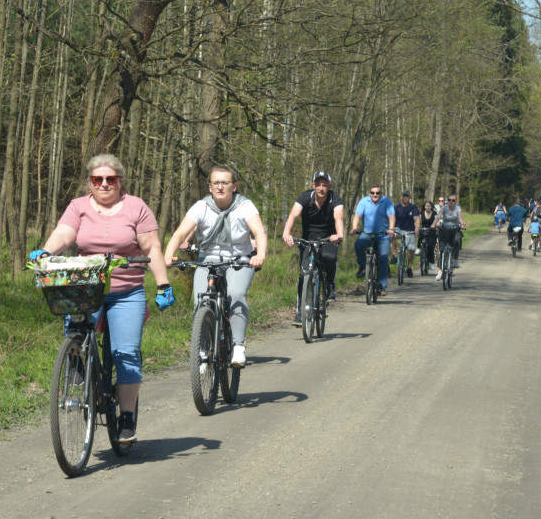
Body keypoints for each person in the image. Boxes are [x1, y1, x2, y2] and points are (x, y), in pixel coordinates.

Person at [31, 154, 172, 444]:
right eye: (98, 180)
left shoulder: (136, 207)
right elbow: (65, 234)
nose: (105, 184)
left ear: (121, 182)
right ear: (90, 183)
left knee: (126, 354)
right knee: (75, 331)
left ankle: (127, 418)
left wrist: (163, 284)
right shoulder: (79, 207)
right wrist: (46, 251)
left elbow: (152, 246)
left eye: (111, 179)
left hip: (126, 290)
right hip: (87, 288)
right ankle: (79, 369)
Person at [164, 165, 267, 368]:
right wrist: (168, 254)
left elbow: (259, 232)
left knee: (236, 294)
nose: (220, 187)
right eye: (216, 183)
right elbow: (179, 233)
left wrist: (260, 255)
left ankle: (238, 346)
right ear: (210, 187)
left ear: (234, 186)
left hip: (239, 259)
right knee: (200, 300)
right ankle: (203, 348)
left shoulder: (245, 206)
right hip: (208, 258)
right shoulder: (201, 207)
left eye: (225, 183)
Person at [282, 171, 344, 324]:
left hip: (328, 238)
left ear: (329, 186)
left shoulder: (334, 199)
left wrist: (339, 234)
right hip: (308, 239)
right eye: (318, 184)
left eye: (324, 185)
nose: (321, 188)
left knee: (329, 258)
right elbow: (293, 215)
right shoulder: (305, 197)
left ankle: (329, 284)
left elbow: (339, 217)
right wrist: (286, 233)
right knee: (304, 274)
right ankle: (300, 312)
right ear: (313, 185)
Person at [350, 185, 395, 295]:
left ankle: (383, 286)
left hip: (382, 234)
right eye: (373, 192)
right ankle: (363, 266)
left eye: (378, 193)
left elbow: (392, 216)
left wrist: (391, 229)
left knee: (383, 258)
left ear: (381, 193)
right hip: (367, 234)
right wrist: (355, 227)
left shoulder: (387, 202)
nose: (375, 195)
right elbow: (357, 215)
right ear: (369, 193)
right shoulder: (364, 201)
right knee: (358, 245)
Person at [434, 193, 466, 279]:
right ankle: (441, 270)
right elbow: (438, 216)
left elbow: (460, 217)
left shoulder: (457, 208)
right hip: (445, 229)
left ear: (455, 202)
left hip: (455, 229)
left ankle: (455, 260)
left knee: (456, 241)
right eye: (449, 200)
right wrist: (434, 224)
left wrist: (462, 224)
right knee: (442, 248)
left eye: (453, 200)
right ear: (446, 201)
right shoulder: (444, 208)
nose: (451, 202)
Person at [393, 191, 421, 277]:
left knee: (411, 249)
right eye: (404, 196)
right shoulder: (396, 207)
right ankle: (394, 255)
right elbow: (392, 218)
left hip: (410, 231)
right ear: (401, 197)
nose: (405, 198)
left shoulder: (413, 208)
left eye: (407, 196)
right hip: (398, 229)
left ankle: (409, 267)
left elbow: (417, 220)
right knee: (391, 236)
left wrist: (416, 229)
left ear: (410, 197)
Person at [418, 199, 439, 270]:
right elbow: (418, 220)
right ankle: (418, 248)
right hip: (423, 228)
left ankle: (431, 262)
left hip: (432, 229)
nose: (427, 207)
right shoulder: (421, 213)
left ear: (431, 207)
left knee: (430, 246)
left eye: (429, 206)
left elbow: (437, 220)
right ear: (424, 206)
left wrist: (436, 225)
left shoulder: (434, 213)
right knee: (420, 232)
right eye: (426, 206)